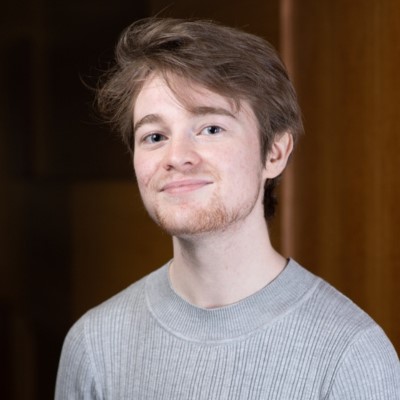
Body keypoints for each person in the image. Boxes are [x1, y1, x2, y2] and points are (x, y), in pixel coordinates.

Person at [55, 18, 400, 399]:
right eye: (154, 136)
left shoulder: (352, 355)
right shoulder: (94, 345)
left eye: (211, 128)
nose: (177, 157)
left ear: (275, 153)